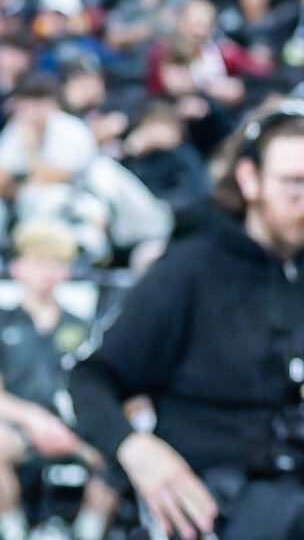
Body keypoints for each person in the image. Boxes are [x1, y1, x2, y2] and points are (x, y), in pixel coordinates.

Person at [69, 100, 304, 540]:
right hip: (221, 496)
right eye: (294, 184)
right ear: (249, 179)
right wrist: (134, 448)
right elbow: (91, 379)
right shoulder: (191, 267)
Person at [0, 219, 116, 540]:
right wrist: (33, 419)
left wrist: (71, 431)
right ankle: (12, 531)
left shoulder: (83, 327)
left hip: (75, 428)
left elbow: (100, 387)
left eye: (55, 262)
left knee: (119, 447)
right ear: (18, 268)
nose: (46, 271)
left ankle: (90, 531)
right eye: (37, 261)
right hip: (20, 429)